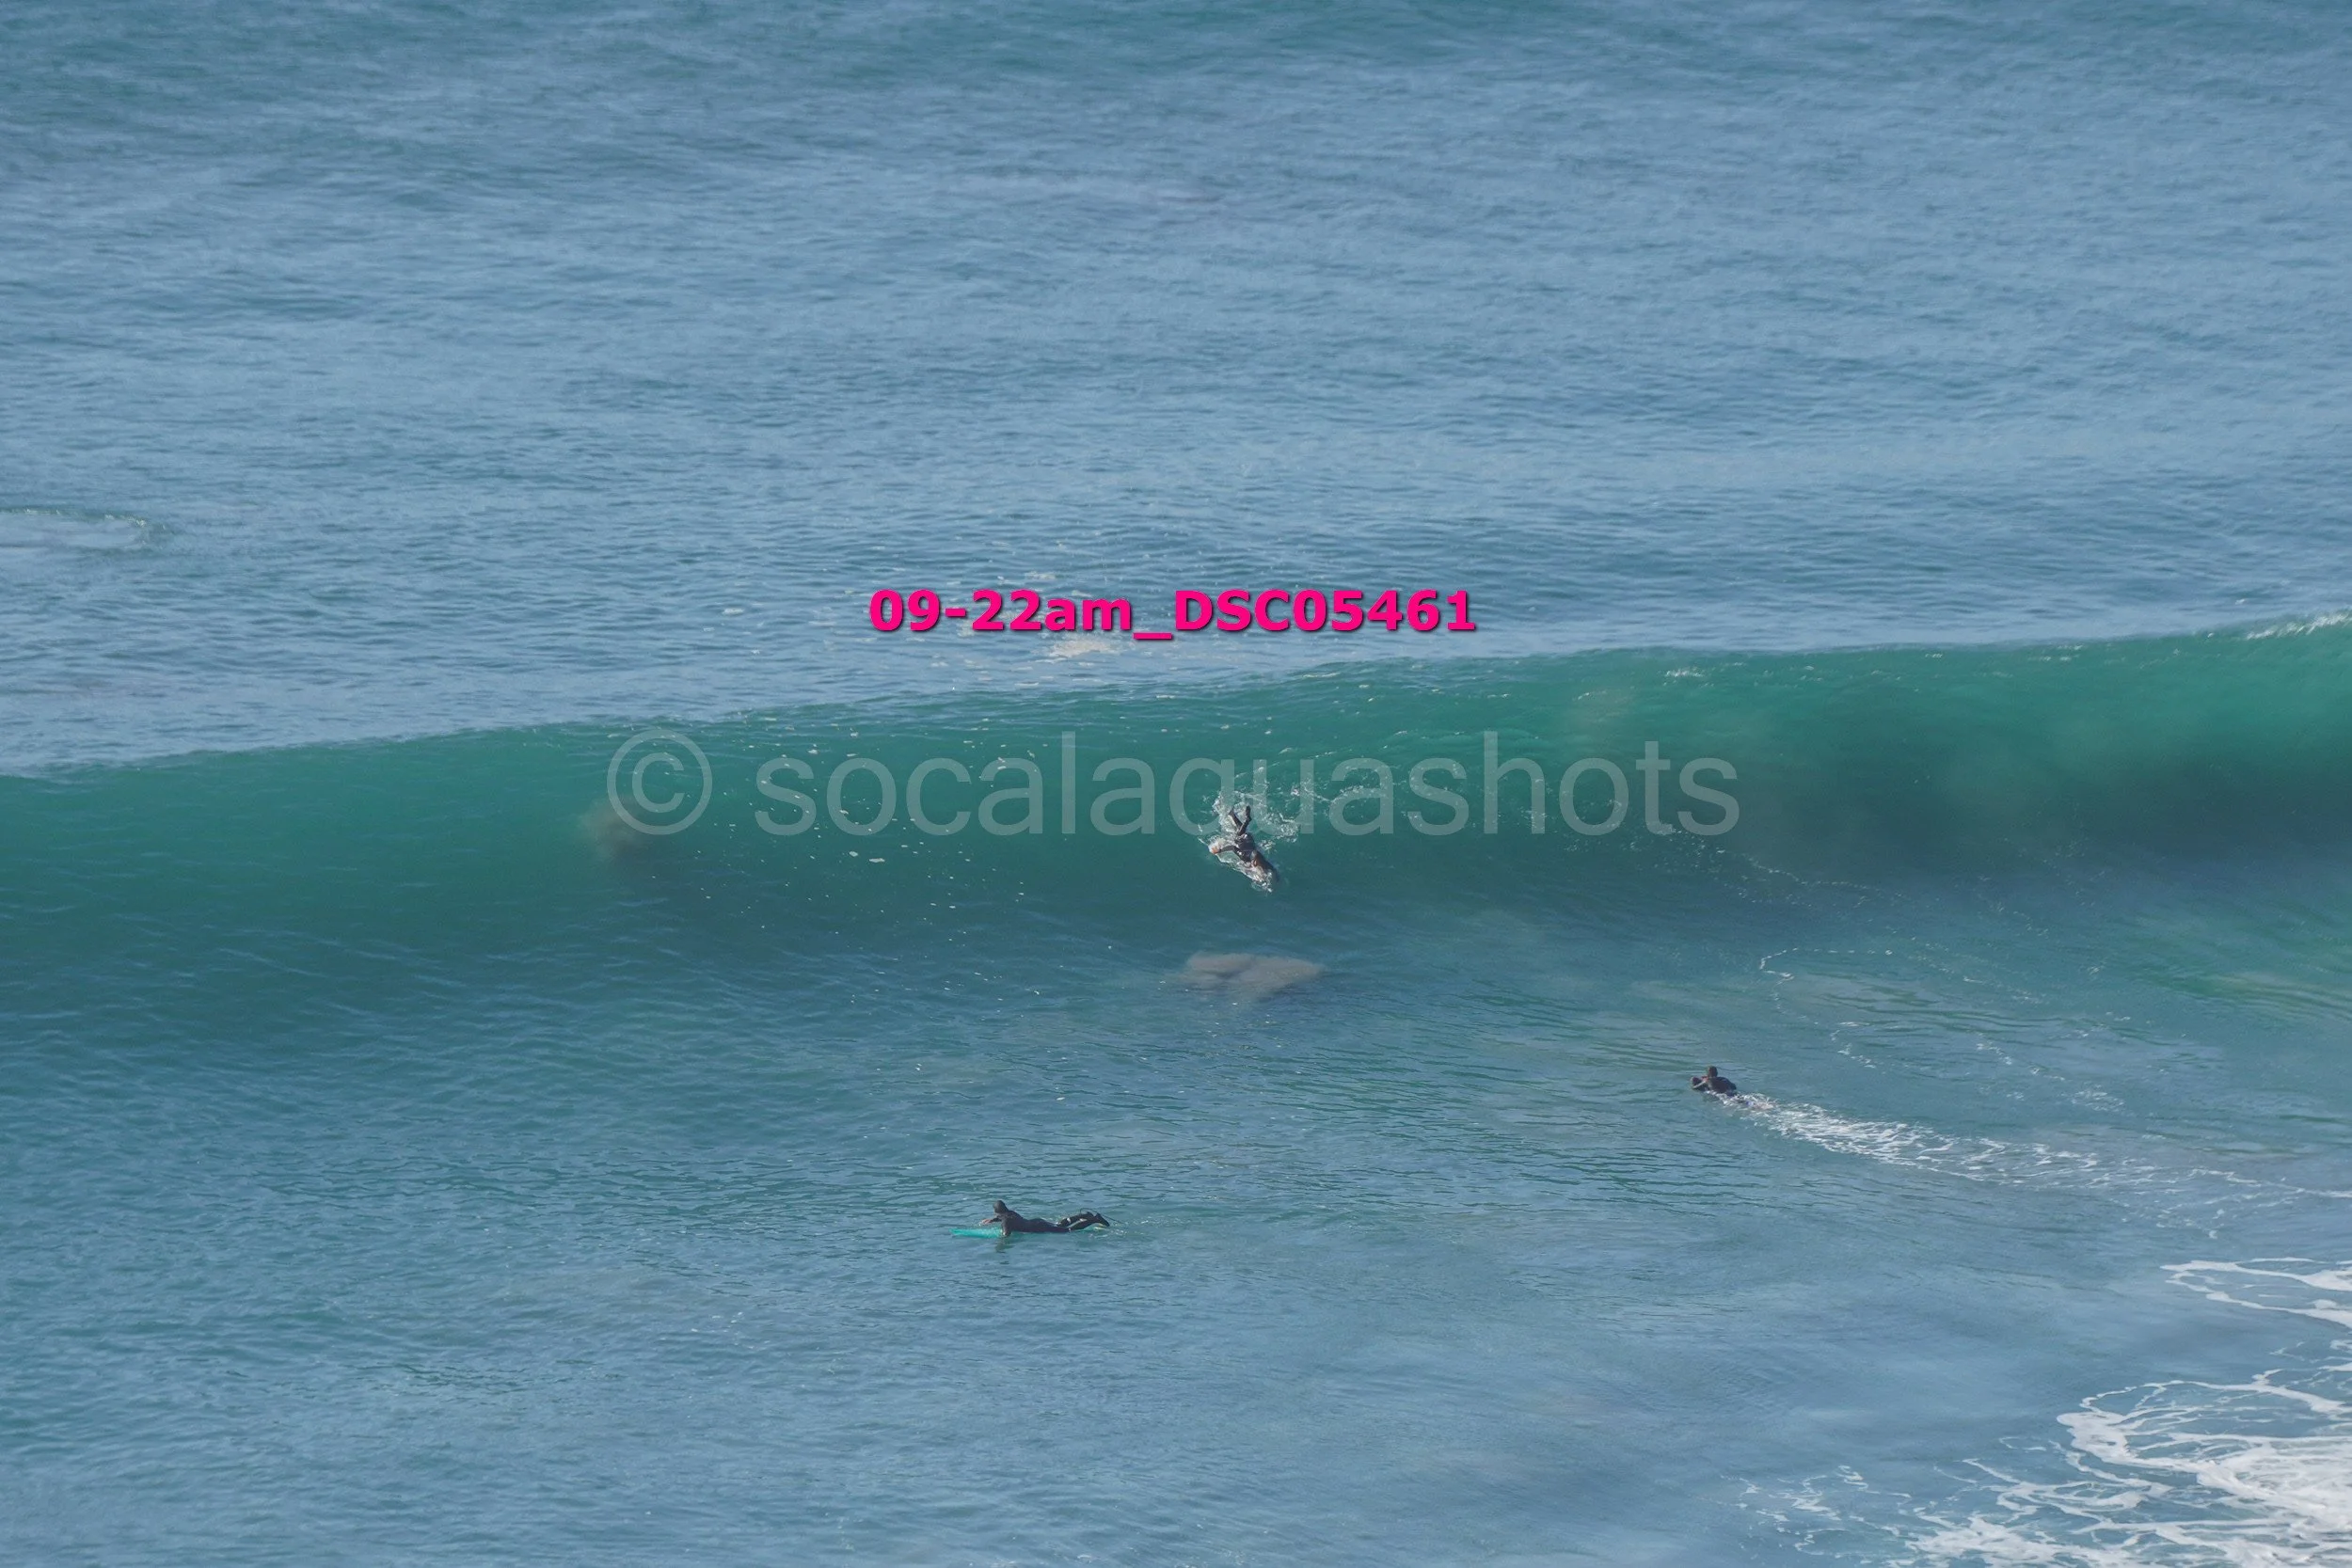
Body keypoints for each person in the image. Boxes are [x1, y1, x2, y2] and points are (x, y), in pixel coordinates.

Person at [1207, 800, 1280, 888]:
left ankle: (1235, 815)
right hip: (1243, 840)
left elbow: (1272, 869)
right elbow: (1233, 848)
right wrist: (1220, 850)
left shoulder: (1261, 861)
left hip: (1249, 840)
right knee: (1238, 833)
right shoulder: (1244, 856)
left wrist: (1276, 877)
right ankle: (1245, 819)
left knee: (1239, 827)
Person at [989, 1200, 1110, 1235]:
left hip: (1039, 1229)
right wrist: (992, 1220)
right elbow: (1004, 1218)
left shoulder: (1005, 1220)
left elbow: (1006, 1235)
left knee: (1068, 1231)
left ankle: (1095, 1219)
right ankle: (1084, 1215)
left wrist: (1000, 1244)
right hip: (1037, 1222)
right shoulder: (1010, 1213)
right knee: (1059, 1224)